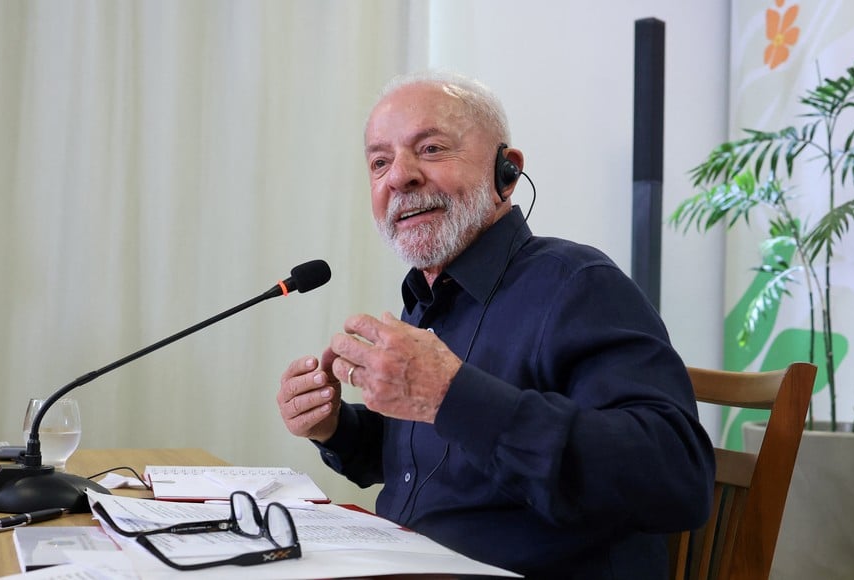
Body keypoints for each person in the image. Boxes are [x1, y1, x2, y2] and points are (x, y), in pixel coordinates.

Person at [277, 70, 715, 579]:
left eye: (432, 148)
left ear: (506, 171)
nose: (399, 176)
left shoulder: (577, 284)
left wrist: (449, 393)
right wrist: (336, 428)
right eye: (380, 161)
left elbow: (677, 478)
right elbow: (441, 463)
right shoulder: (426, 300)